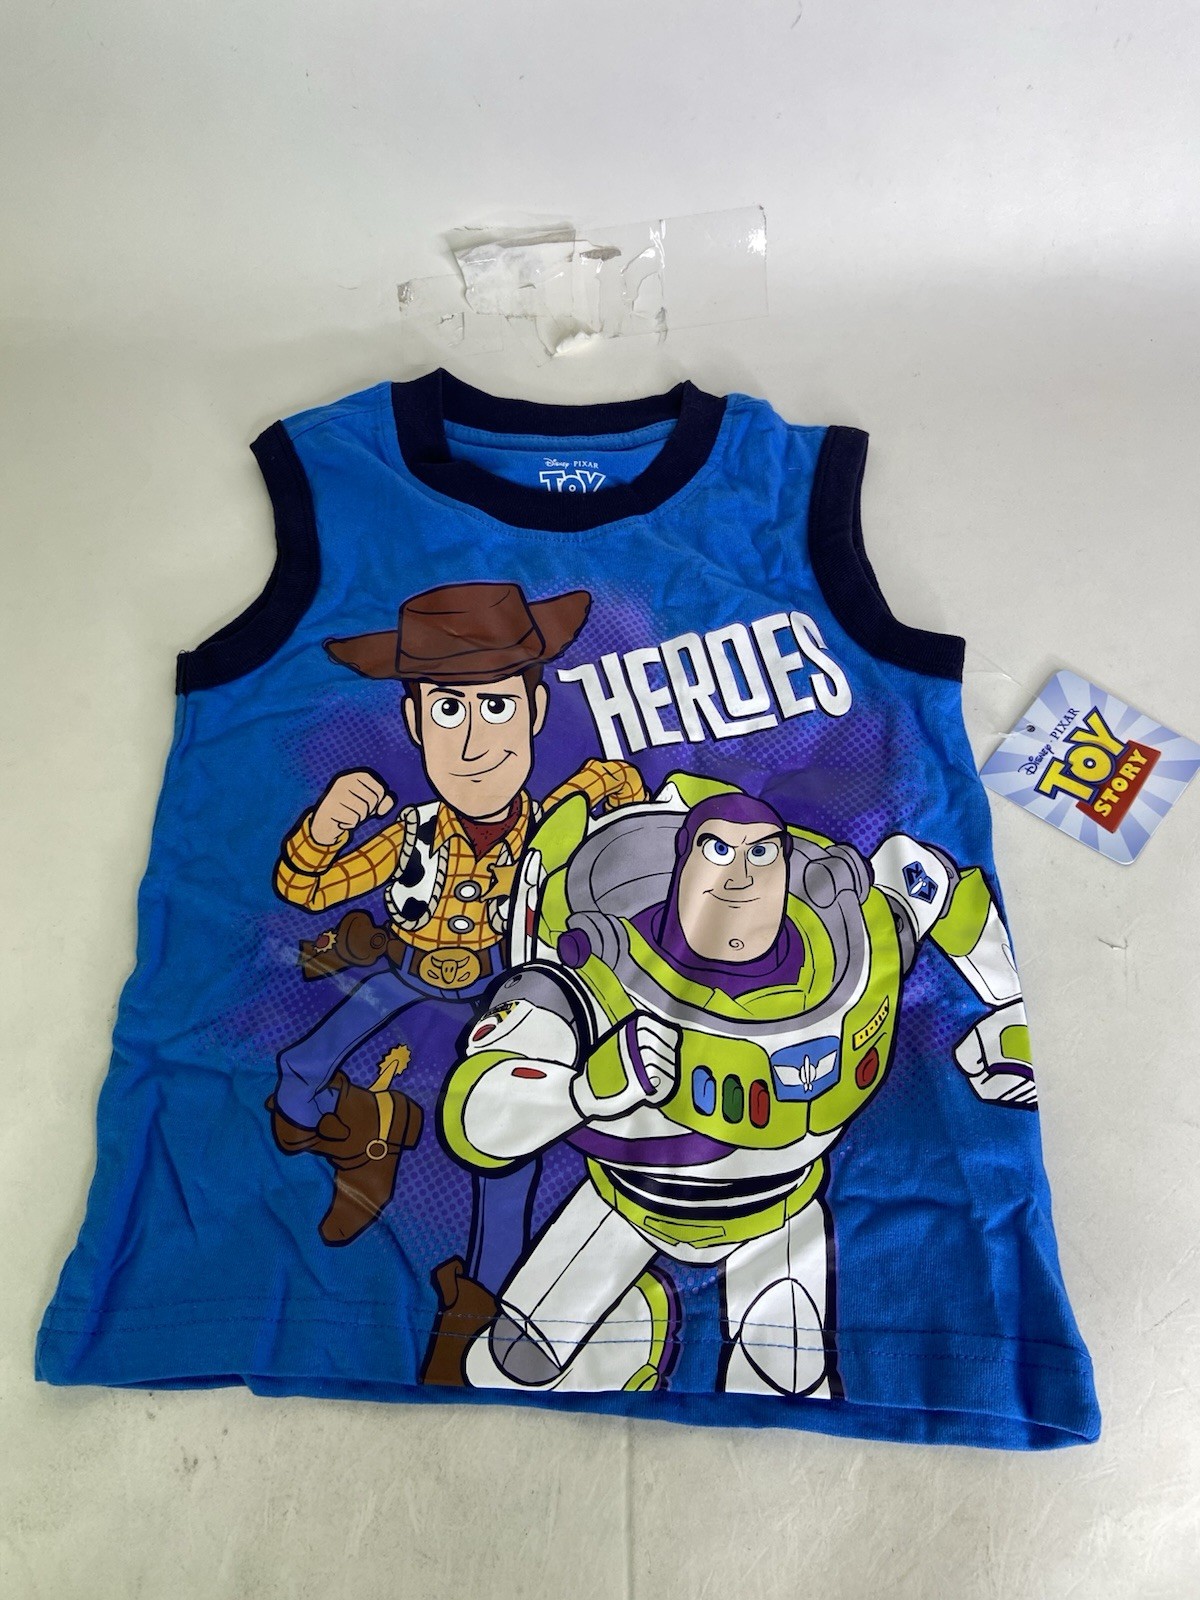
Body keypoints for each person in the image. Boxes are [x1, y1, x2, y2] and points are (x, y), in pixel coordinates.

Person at [439, 774, 1036, 1396]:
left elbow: (933, 883)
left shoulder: (858, 943)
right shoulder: (589, 983)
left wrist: (1006, 1011)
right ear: (682, 861)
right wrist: (584, 1090)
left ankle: (651, 1321)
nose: (741, 875)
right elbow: (478, 1118)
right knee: (511, 1362)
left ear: (790, 869)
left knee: (789, 1383)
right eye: (719, 850)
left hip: (780, 1211)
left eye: (762, 852)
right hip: (626, 1202)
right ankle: (638, 1321)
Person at [267, 581, 645, 1286]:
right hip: (406, 971)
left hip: (507, 993)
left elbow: (618, 792)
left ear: (535, 711)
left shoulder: (551, 827)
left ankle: (488, 1292)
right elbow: (308, 889)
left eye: (497, 707)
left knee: (507, 1134)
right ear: (414, 721)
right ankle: (324, 1113)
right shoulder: (410, 835)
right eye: (448, 709)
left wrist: (612, 792)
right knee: (316, 1055)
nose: (473, 744)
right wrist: (324, 829)